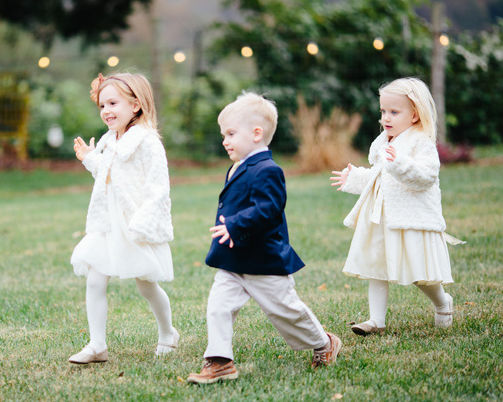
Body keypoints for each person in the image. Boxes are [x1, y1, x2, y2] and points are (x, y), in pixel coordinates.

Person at [187, 92, 341, 385]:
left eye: (231, 133)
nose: (225, 140)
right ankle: (220, 361)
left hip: (263, 260)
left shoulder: (269, 170)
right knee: (219, 305)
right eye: (224, 135)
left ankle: (324, 343)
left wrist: (234, 224)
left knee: (285, 310)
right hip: (233, 259)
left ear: (257, 134)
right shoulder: (236, 166)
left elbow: (268, 210)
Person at [330, 77, 463, 336]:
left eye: (394, 112)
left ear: (414, 115)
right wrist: (355, 178)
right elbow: (380, 177)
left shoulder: (420, 142)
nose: (386, 118)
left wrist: (400, 163)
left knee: (420, 274)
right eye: (383, 111)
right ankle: (376, 320)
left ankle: (442, 302)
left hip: (411, 218)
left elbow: (426, 176)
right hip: (382, 218)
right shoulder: (385, 142)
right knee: (376, 266)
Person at [68, 72, 178, 364]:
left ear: (136, 105)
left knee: (146, 285)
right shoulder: (110, 140)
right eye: (102, 105)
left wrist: (143, 223)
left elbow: (158, 188)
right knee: (95, 280)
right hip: (107, 223)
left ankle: (168, 333)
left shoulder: (147, 143)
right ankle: (97, 345)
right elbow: (108, 174)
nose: (106, 111)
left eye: (113, 103)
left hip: (134, 224)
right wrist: (90, 158)